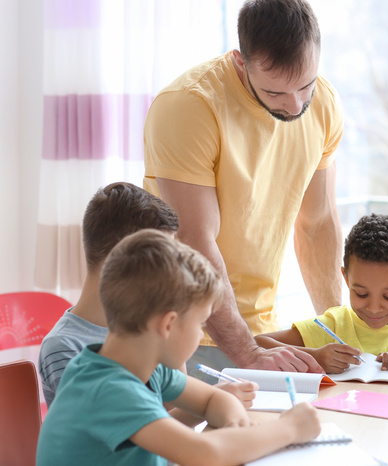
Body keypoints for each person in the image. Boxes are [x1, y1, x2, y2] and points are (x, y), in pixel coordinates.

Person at [143, 0, 341, 374]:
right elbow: (195, 240)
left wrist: (337, 329)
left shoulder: (325, 104)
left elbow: (317, 223)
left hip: (260, 330)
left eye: (305, 85)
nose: (296, 105)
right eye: (275, 93)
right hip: (176, 325)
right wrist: (246, 352)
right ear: (240, 62)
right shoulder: (188, 106)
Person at [36, 230, 321, 466]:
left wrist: (238, 428)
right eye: (200, 324)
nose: (200, 335)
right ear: (169, 324)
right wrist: (289, 428)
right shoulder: (107, 388)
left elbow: (214, 399)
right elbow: (204, 453)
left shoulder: (141, 365)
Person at [38, 182, 256, 409]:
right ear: (122, 257)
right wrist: (209, 405)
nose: (173, 271)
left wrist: (213, 399)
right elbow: (129, 437)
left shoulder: (148, 323)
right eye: (164, 258)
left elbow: (170, 406)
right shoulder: (64, 347)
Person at [255, 214, 388, 373]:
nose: (373, 308)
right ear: (346, 279)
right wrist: (314, 355)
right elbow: (257, 344)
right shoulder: (334, 324)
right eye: (361, 293)